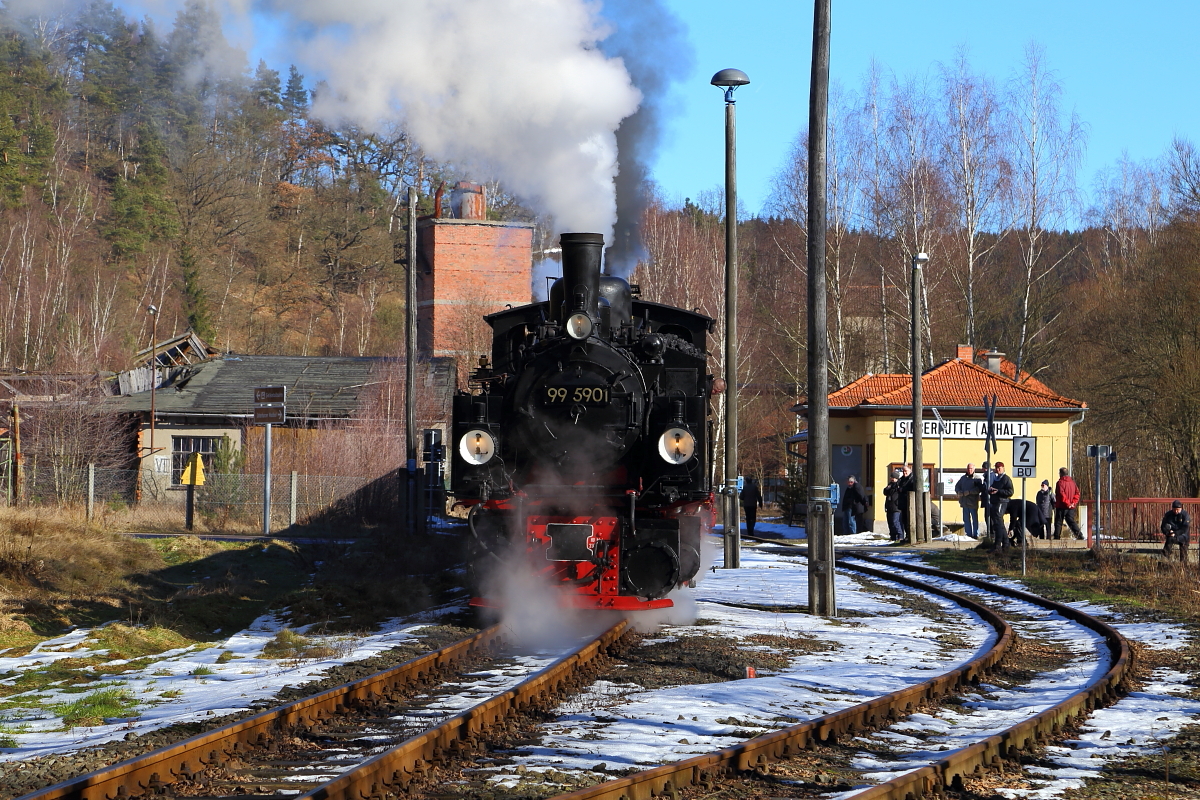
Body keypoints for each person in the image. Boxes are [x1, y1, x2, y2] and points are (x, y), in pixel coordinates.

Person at [987, 461, 1014, 550]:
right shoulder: (996, 478)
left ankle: (998, 543)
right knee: (998, 523)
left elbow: (1010, 492)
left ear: (1003, 468)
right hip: (994, 502)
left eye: (999, 468)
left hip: (1002, 502)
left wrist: (998, 491)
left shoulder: (1006, 479)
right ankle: (1005, 543)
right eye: (996, 468)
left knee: (999, 522)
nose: (998, 470)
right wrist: (990, 491)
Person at [1053, 467, 1085, 540]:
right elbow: (1077, 493)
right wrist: (1073, 503)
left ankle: (1057, 537)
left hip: (1061, 506)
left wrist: (1068, 503)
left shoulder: (1060, 483)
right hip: (1071, 507)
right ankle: (1079, 535)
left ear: (1061, 474)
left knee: (1058, 521)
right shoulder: (1073, 483)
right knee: (1071, 521)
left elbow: (1061, 494)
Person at [954, 463, 984, 539]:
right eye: (968, 468)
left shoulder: (977, 479)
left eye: (971, 468)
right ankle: (968, 534)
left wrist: (970, 492)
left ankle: (975, 534)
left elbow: (979, 489)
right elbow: (957, 486)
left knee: (974, 519)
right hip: (964, 502)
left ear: (974, 469)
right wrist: (959, 492)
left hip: (973, 502)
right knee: (966, 519)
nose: (969, 470)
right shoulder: (963, 478)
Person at [883, 469, 904, 541]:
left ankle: (900, 536)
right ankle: (893, 537)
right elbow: (885, 492)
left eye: (892, 477)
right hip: (889, 506)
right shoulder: (890, 485)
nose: (891, 479)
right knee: (890, 522)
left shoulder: (898, 485)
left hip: (896, 507)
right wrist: (888, 488)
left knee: (896, 521)